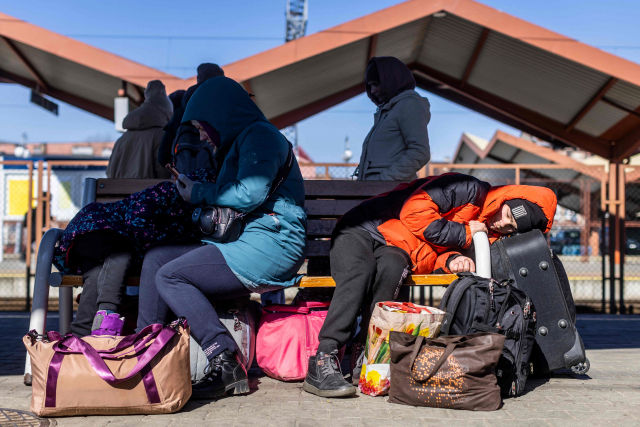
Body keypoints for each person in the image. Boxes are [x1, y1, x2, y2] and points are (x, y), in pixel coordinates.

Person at [302, 173, 557, 397]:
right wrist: (468, 233)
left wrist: (454, 259)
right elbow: (413, 213)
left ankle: (368, 356)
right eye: (508, 214)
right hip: (362, 228)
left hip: (398, 248)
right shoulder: (468, 189)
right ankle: (325, 355)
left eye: (510, 226)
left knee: (392, 272)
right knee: (360, 271)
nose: (502, 224)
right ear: (506, 199)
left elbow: (437, 255)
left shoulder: (487, 237)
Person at [137, 77, 307, 399]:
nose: (200, 135)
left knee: (171, 276)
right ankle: (146, 355)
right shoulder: (241, 141)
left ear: (221, 115)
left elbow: (252, 191)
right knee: (156, 258)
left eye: (203, 125)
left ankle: (225, 358)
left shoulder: (261, 135)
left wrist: (198, 192)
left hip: (272, 244)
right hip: (251, 239)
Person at [53, 169, 216, 337]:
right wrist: (151, 248)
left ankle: (79, 336)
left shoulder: (197, 217)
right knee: (121, 254)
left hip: (104, 245)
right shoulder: (169, 191)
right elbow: (136, 219)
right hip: (93, 227)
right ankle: (106, 324)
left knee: (95, 276)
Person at [355, 57, 431, 181]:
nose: (373, 91)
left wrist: (383, 180)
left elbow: (420, 152)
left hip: (389, 193)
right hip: (378, 192)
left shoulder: (409, 105)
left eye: (376, 83)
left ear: (391, 79)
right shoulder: (388, 110)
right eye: (370, 86)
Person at [157, 63, 225, 173]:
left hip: (185, 180)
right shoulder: (226, 107)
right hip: (218, 180)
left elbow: (163, 157)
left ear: (199, 78)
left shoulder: (181, 113)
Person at [107, 80, 173, 179]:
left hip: (118, 193)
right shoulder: (160, 135)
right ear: (165, 114)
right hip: (145, 192)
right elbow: (163, 173)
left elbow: (110, 172)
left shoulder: (122, 139)